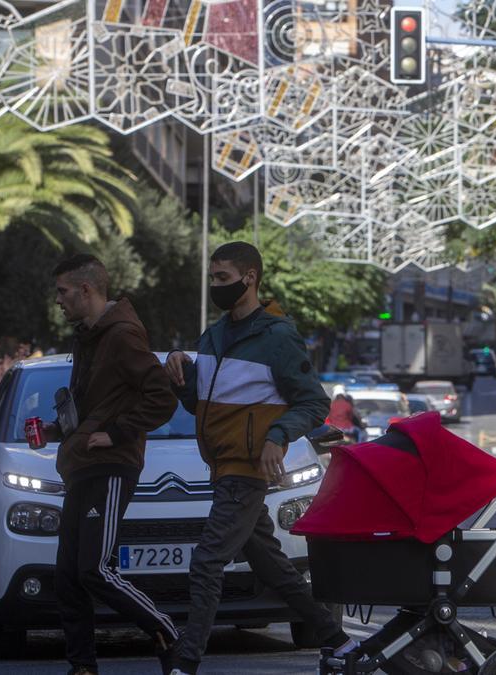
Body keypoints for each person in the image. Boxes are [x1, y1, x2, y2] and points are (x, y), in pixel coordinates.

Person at [163, 242, 355, 675]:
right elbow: (200, 404)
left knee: (207, 561)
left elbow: (311, 403)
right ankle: (337, 639)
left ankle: (185, 661)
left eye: (223, 278)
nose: (215, 286)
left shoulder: (277, 336)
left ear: (250, 278)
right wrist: (179, 370)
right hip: (222, 463)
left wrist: (276, 437)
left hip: (246, 468)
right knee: (273, 566)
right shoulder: (212, 336)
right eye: (212, 278)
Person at [49, 254, 180, 675]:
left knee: (95, 569)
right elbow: (96, 405)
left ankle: (166, 631)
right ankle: (83, 667)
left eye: (63, 292)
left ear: (86, 290)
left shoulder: (122, 335)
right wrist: (58, 429)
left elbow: (162, 396)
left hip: (110, 465)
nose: (59, 301)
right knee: (68, 574)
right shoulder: (87, 337)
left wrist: (119, 432)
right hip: (82, 464)